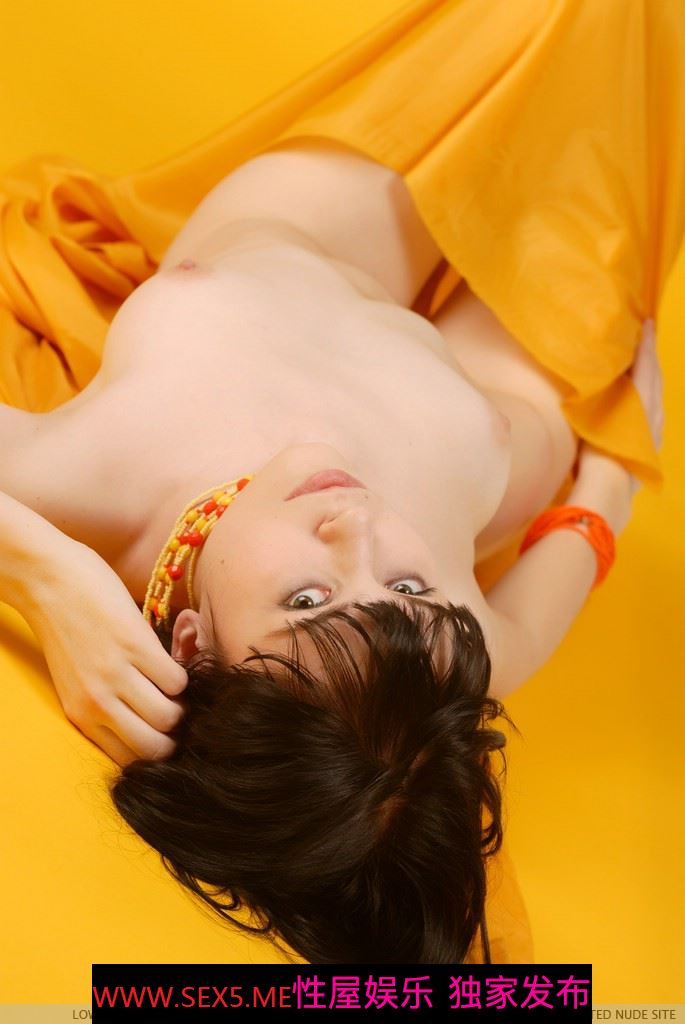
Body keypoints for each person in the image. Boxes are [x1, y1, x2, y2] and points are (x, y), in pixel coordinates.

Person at [0, 0, 677, 966]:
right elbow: (525, 627)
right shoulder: (441, 659)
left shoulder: (99, 478)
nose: (356, 522)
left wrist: (44, 576)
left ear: (191, 642)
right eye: (407, 583)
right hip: (505, 381)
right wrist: (609, 477)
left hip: (326, 244)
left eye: (307, 599)